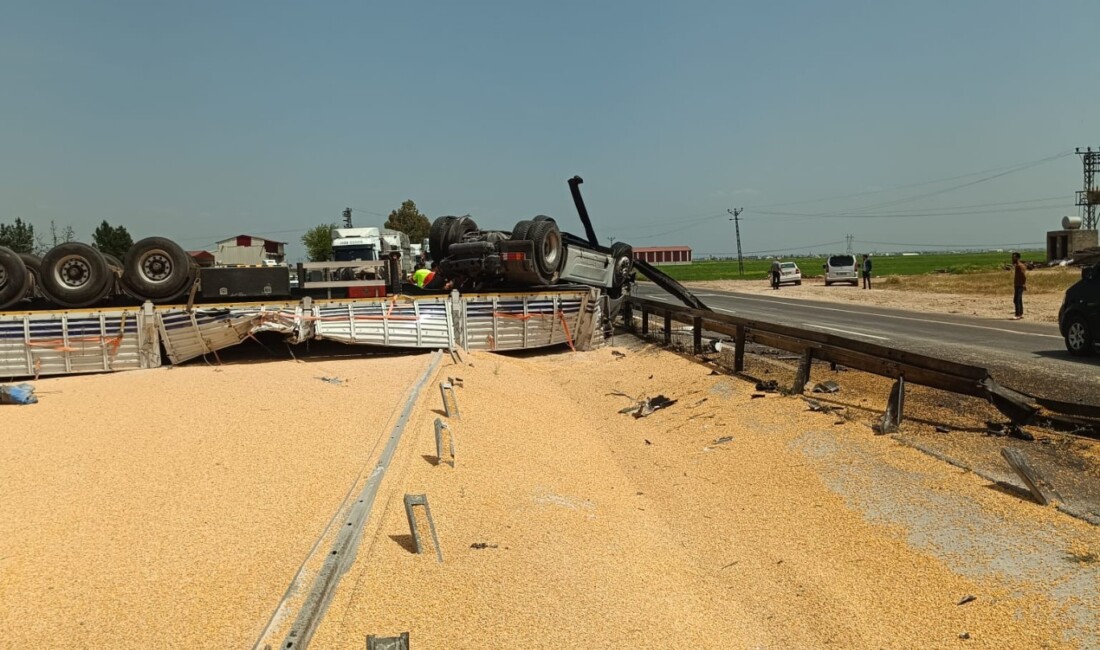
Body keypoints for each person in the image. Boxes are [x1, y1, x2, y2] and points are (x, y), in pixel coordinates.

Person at [1011, 252, 1027, 319]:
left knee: (1016, 300)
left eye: (1014, 257)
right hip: (1017, 285)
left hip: (1020, 285)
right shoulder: (1017, 266)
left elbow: (1024, 276)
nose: (1012, 258)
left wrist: (1024, 284)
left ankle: (1018, 314)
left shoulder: (1019, 266)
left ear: (1017, 258)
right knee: (1019, 299)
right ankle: (1020, 313)